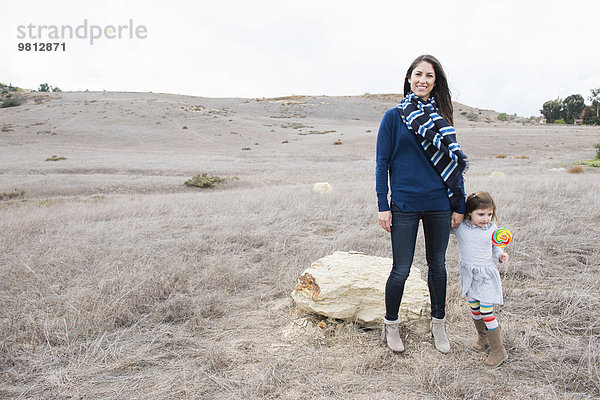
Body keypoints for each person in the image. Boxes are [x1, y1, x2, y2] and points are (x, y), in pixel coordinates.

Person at [376, 54, 468, 354]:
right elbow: (382, 163)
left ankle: (438, 324)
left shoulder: (441, 118)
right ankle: (391, 324)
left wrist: (459, 204)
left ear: (435, 82)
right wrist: (383, 204)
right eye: (418, 74)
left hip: (439, 203)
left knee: (437, 265)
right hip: (403, 203)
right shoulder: (394, 116)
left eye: (429, 76)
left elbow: (453, 164)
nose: (422, 81)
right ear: (408, 78)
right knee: (401, 269)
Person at [451, 192, 509, 367]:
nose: (486, 218)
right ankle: (482, 336)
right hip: (469, 276)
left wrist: (501, 255)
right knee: (474, 309)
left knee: (486, 312)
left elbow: (497, 247)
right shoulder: (461, 227)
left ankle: (499, 350)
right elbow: (445, 224)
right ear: (469, 213)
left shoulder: (492, 229)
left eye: (489, 214)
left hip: (485, 276)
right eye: (481, 214)